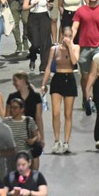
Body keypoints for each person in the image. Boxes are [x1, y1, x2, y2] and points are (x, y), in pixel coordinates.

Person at [40, 26, 79, 154]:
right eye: (65, 36)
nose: (67, 38)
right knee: (56, 112)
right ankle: (57, 141)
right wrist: (43, 84)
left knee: (68, 114)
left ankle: (66, 142)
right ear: (61, 35)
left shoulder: (75, 48)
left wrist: (69, 47)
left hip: (69, 78)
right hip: (58, 79)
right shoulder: (54, 48)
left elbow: (74, 62)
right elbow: (47, 67)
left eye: (69, 36)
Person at [23, 0, 52, 74]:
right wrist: (32, 5)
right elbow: (24, 7)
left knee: (45, 43)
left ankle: (43, 67)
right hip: (33, 18)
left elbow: (50, 6)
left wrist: (50, 5)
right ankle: (33, 56)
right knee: (35, 44)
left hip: (44, 17)